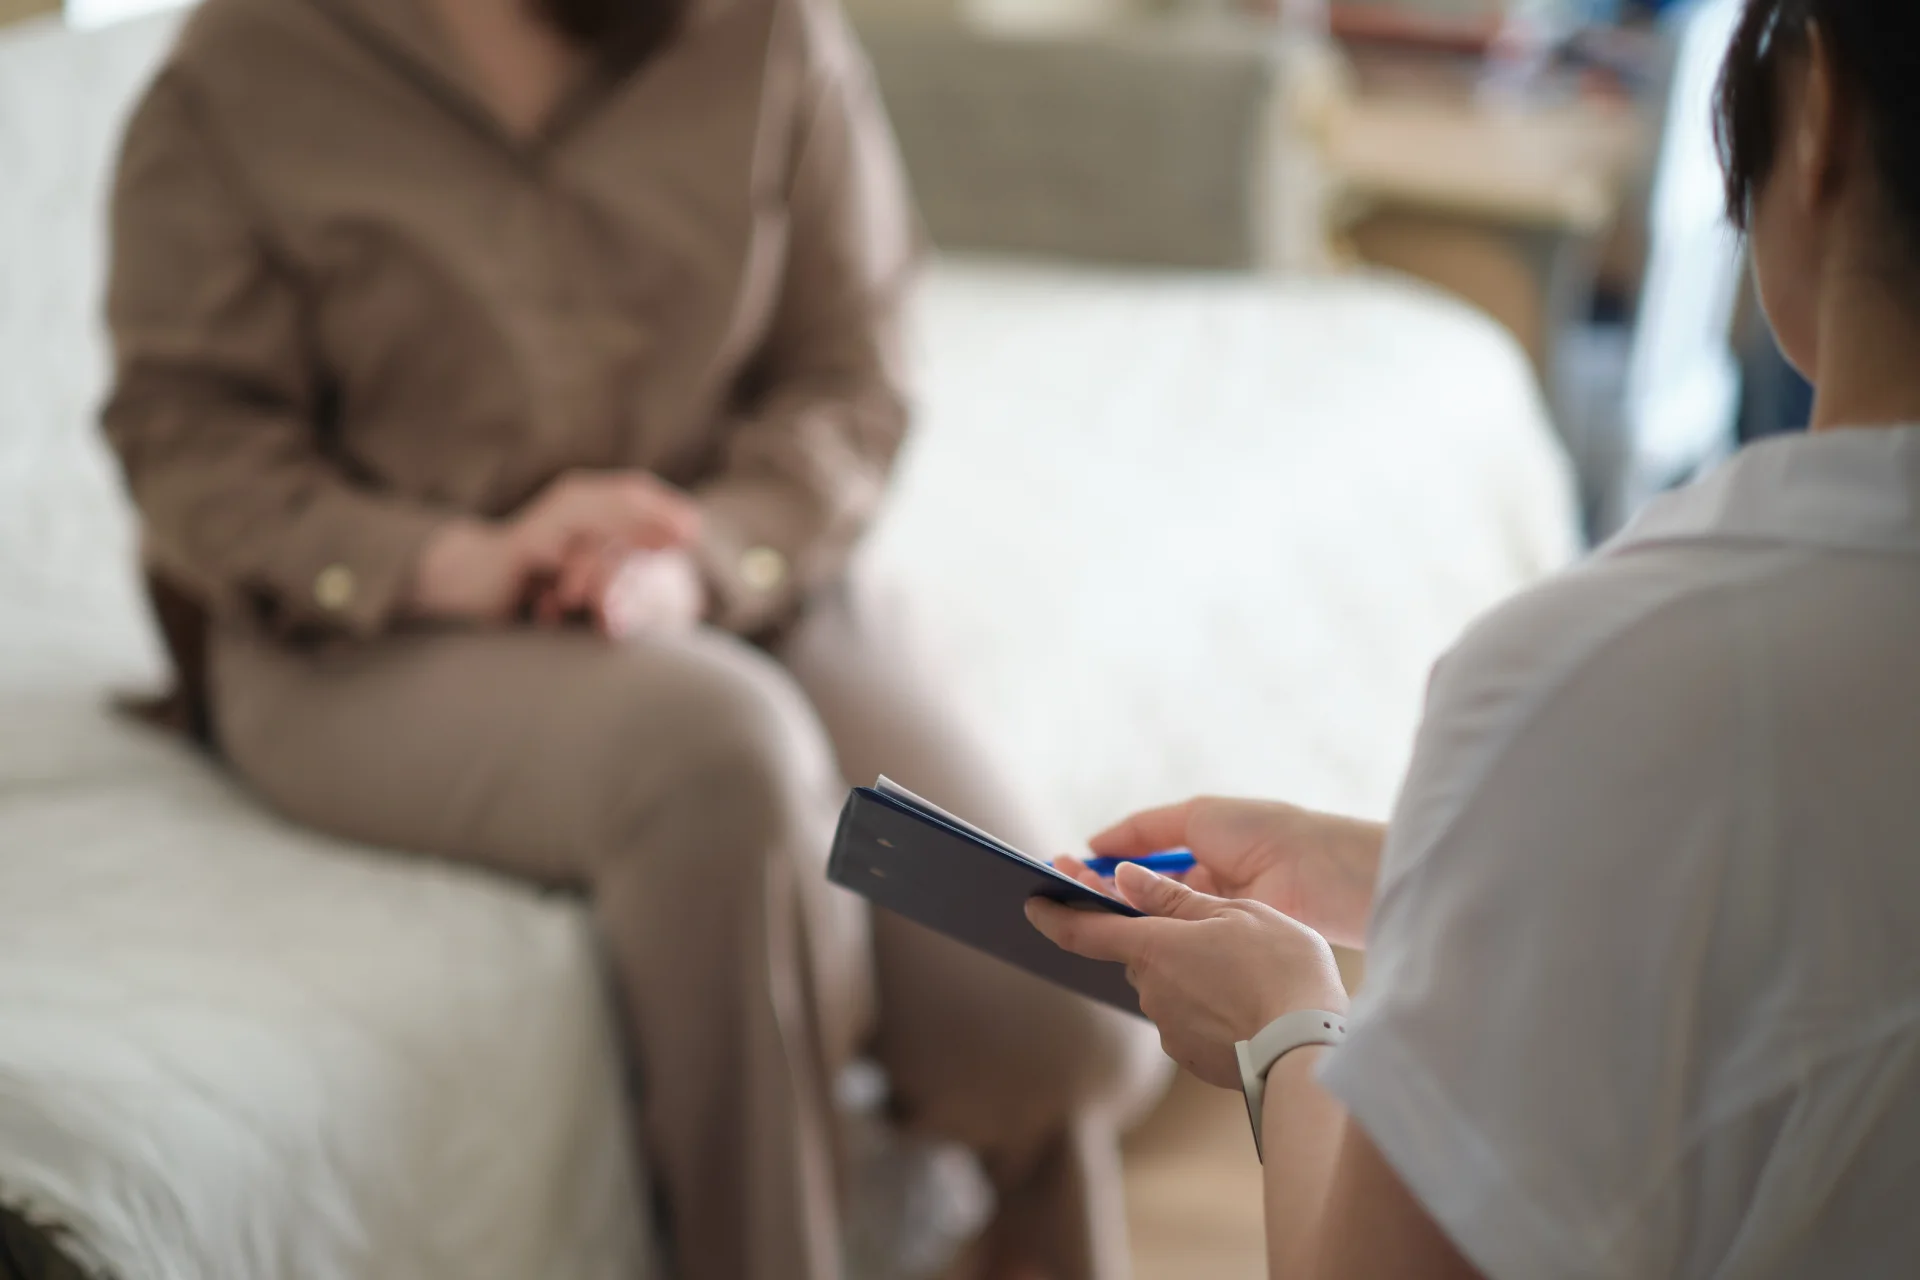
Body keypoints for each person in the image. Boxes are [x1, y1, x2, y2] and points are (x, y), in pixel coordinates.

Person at [99, 1, 1165, 1278]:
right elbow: (191, 440)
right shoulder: (253, 62)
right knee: (718, 749)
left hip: (735, 576)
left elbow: (852, 379)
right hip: (371, 627)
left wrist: (703, 557)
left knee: (1057, 1013)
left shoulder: (770, 35)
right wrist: (469, 562)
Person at [1032, 0, 1920, 1274]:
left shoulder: (1603, 675)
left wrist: (1285, 1033)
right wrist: (1399, 869)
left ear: (1820, 123)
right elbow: (1811, 907)